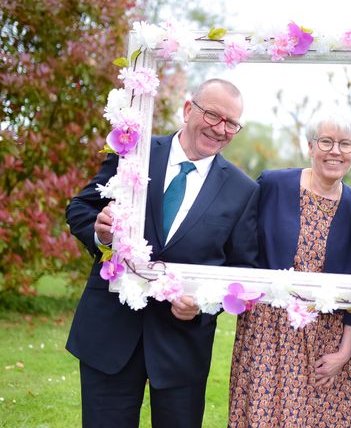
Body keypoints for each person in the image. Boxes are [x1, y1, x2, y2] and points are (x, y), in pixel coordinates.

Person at [66, 79, 259, 428]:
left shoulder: (244, 190)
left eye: (231, 123)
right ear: (188, 110)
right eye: (213, 115)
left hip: (181, 347)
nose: (221, 129)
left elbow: (241, 271)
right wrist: (98, 229)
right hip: (110, 331)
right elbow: (80, 208)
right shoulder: (134, 153)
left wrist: (201, 304)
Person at [227, 109, 351, 428]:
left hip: (325, 342)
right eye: (326, 141)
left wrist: (345, 352)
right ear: (310, 145)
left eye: (345, 144)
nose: (335, 151)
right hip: (267, 334)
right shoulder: (273, 184)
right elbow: (242, 245)